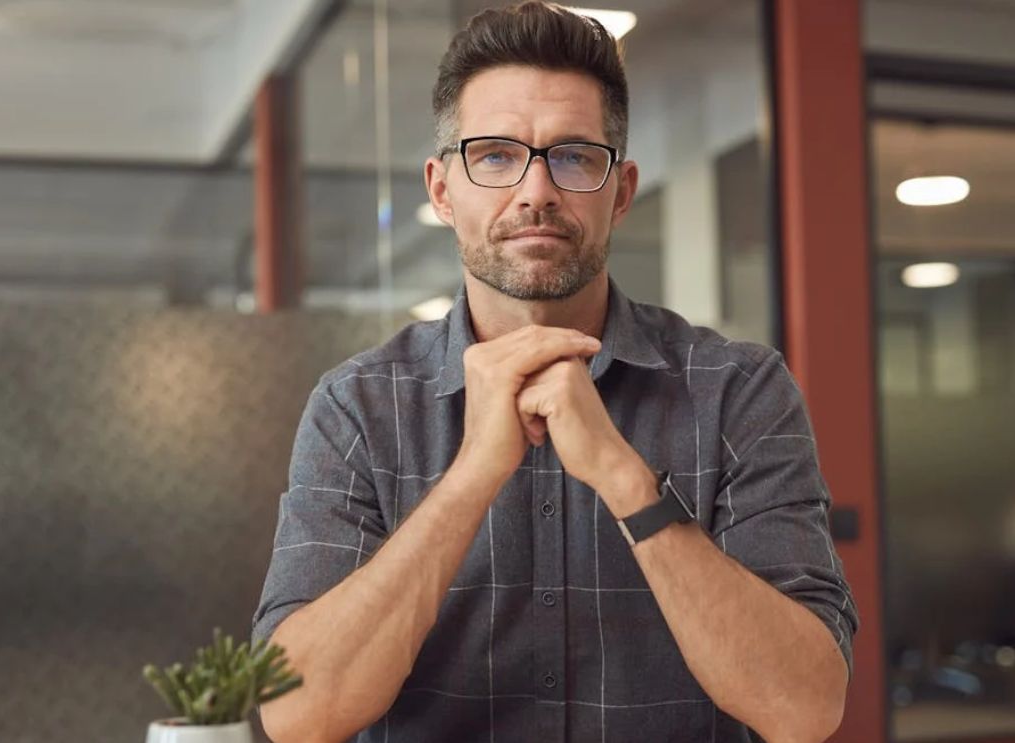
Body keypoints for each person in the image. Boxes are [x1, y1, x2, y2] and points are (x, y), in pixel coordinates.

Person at [251, 3, 858, 741]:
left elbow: (805, 707)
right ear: (442, 190)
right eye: (496, 155)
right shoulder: (358, 406)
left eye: (572, 156)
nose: (535, 191)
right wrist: (473, 473)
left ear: (621, 191)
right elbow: (296, 713)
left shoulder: (737, 391)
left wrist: (627, 481)